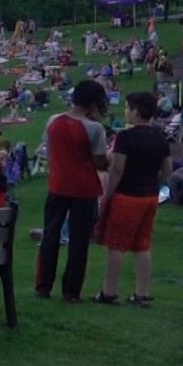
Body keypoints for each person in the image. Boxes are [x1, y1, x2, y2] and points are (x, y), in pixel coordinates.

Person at [95, 93, 171, 307]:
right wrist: (156, 185)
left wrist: (108, 194)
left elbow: (118, 168)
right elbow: (168, 168)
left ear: (137, 111)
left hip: (127, 195)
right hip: (149, 196)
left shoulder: (126, 137)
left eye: (128, 107)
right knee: (143, 245)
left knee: (116, 245)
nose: (126, 111)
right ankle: (142, 293)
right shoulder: (160, 137)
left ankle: (109, 291)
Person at [36, 79, 109, 303]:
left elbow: (48, 151)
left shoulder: (53, 121)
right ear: (94, 103)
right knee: (78, 241)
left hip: (58, 185)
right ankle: (71, 291)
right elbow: (99, 163)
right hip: (84, 188)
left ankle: (43, 286)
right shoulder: (95, 128)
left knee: (50, 235)